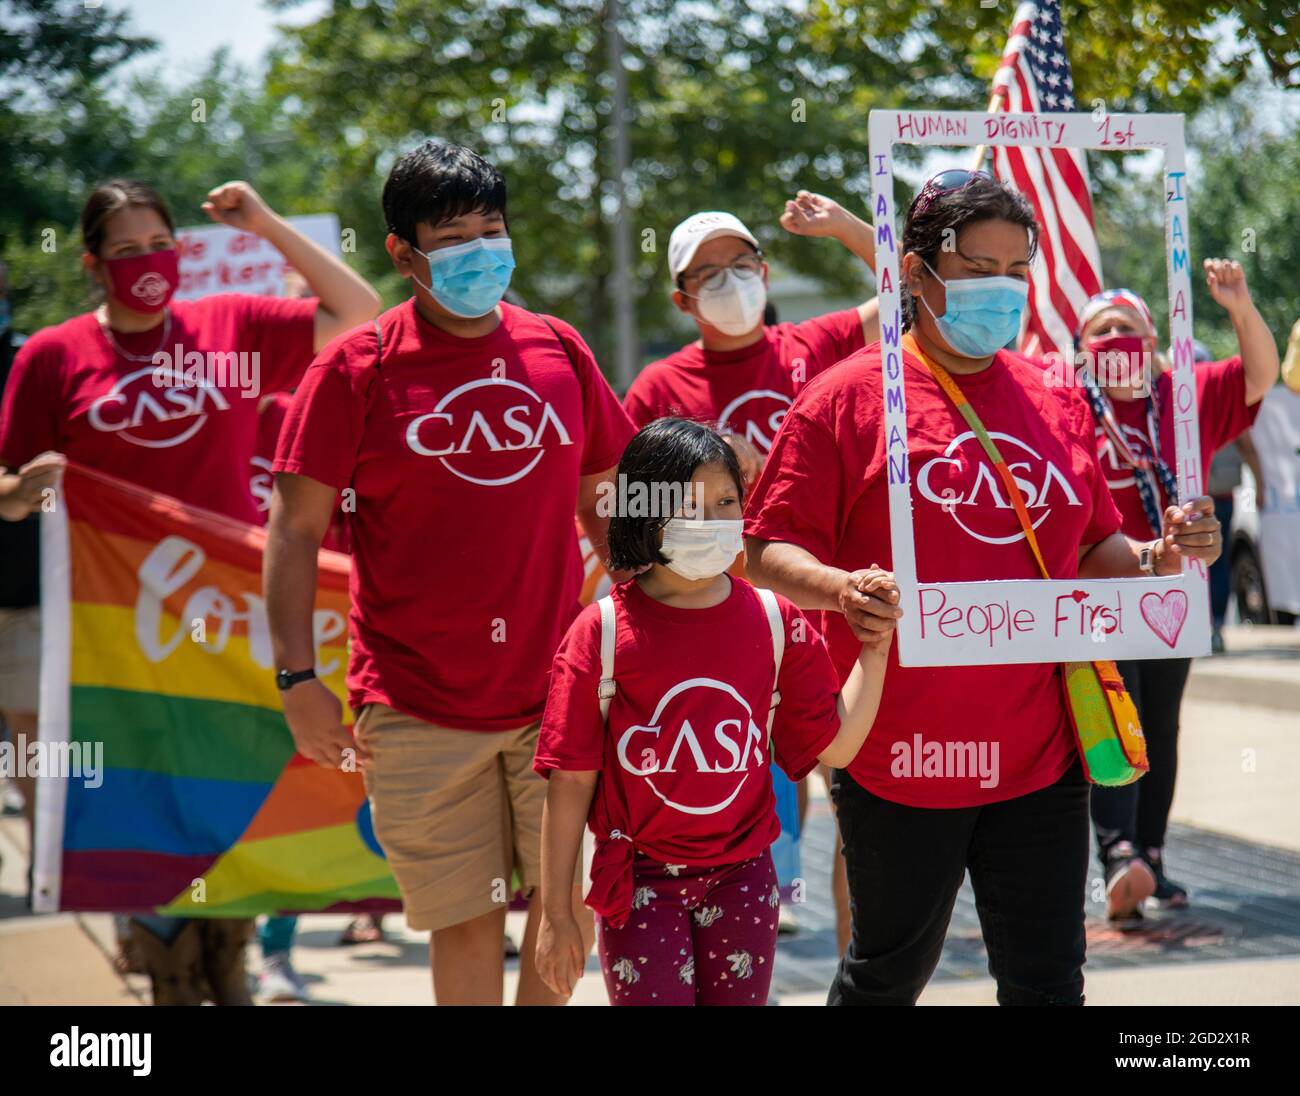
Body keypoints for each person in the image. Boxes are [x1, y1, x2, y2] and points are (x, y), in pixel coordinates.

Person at [743, 170, 1226, 1006]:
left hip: (1040, 753)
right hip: (899, 751)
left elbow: (1095, 544)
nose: (999, 288)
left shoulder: (1054, 396)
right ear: (920, 272)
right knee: (889, 972)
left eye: (1015, 269)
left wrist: (1160, 555)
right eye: (978, 267)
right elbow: (763, 546)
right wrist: (839, 588)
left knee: (1047, 979)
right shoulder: (849, 397)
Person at [265, 141, 637, 1006]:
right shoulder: (355, 367)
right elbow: (293, 531)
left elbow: (608, 506)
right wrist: (296, 680)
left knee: (561, 913)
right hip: (415, 702)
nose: (482, 251)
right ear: (402, 253)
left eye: (493, 229)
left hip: (561, 694)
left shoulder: (560, 350)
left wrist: (651, 618)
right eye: (455, 236)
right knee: (465, 922)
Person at [0, 177, 381, 1004]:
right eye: (126, 251)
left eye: (160, 245)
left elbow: (358, 314)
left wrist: (263, 222)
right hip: (116, 632)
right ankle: (165, 974)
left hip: (224, 619)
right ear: (93, 264)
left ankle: (231, 966)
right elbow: (5, 486)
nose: (147, 265)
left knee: (229, 791)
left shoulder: (231, 326)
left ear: (183, 250)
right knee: (142, 810)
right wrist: (24, 490)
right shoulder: (53, 356)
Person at [532, 418, 894, 1005]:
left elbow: (839, 746)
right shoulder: (599, 632)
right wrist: (556, 914)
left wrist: (874, 646)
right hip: (639, 881)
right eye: (687, 503)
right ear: (641, 512)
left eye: (725, 501)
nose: (711, 519)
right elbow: (570, 782)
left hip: (745, 878)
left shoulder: (776, 622)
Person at [623, 193, 879, 943]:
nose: (730, 281)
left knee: (851, 786)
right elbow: (631, 508)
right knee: (724, 770)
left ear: (765, 272)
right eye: (708, 274)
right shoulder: (657, 389)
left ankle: (858, 976)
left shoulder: (813, 345)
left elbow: (911, 295)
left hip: (819, 600)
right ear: (681, 297)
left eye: (741, 264)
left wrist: (844, 230)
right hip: (713, 612)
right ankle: (747, 918)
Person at [1074, 265, 1276, 919]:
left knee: (1160, 723)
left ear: (1154, 336)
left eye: (1126, 328)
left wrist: (1240, 307)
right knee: (1116, 715)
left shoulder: (1182, 397)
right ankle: (1118, 852)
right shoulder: (1063, 401)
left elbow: (1261, 375)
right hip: (1098, 588)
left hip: (1171, 592)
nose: (1114, 340)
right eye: (1100, 332)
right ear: (1080, 348)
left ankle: (1151, 857)